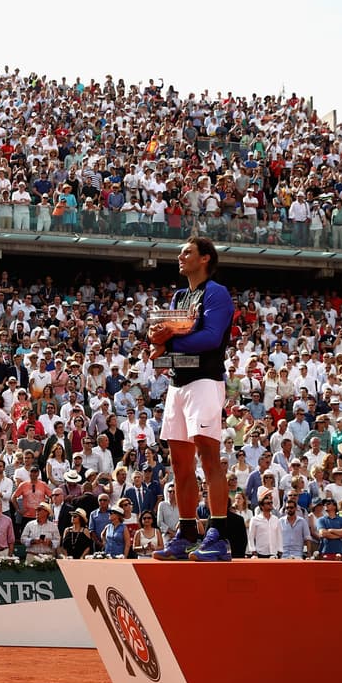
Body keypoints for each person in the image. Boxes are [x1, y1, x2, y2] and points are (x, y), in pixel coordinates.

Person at [150, 237, 236, 561]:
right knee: (180, 465)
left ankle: (219, 535)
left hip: (205, 381)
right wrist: (155, 341)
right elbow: (160, 333)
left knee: (209, 460)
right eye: (181, 251)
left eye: (187, 252)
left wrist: (167, 346)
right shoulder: (180, 296)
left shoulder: (217, 292)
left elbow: (212, 337)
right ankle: (187, 532)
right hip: (177, 384)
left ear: (205, 259)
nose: (180, 256)